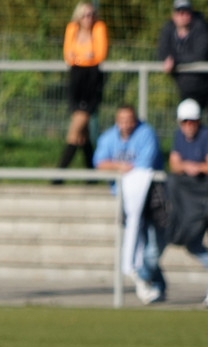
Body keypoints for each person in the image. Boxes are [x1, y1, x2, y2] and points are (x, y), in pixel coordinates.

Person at [93, 104, 166, 303]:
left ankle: (144, 278)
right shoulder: (108, 137)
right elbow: (100, 163)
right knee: (139, 243)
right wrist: (119, 166)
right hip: (128, 200)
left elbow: (142, 166)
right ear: (117, 121)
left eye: (130, 120)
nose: (126, 125)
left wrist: (117, 167)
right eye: (122, 121)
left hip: (152, 197)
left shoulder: (146, 134)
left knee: (153, 245)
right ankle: (154, 285)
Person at [166, 98, 208, 306]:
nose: (189, 125)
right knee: (191, 243)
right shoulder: (178, 136)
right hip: (193, 201)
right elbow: (174, 164)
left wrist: (195, 167)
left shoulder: (206, 136)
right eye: (185, 121)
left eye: (192, 121)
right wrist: (188, 166)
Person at [57, 2, 107, 174]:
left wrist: (80, 58)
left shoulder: (99, 28)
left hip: (91, 82)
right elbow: (68, 55)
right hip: (76, 80)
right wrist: (83, 57)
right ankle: (91, 173)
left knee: (75, 130)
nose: (88, 18)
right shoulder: (72, 29)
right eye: (85, 15)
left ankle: (58, 174)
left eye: (91, 15)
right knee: (82, 135)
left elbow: (99, 55)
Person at [157, 0, 208, 109]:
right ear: (174, 15)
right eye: (179, 12)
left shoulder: (201, 28)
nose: (183, 16)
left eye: (186, 12)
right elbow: (162, 51)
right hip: (182, 87)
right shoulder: (168, 28)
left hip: (203, 84)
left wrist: (175, 60)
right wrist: (168, 59)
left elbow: (200, 55)